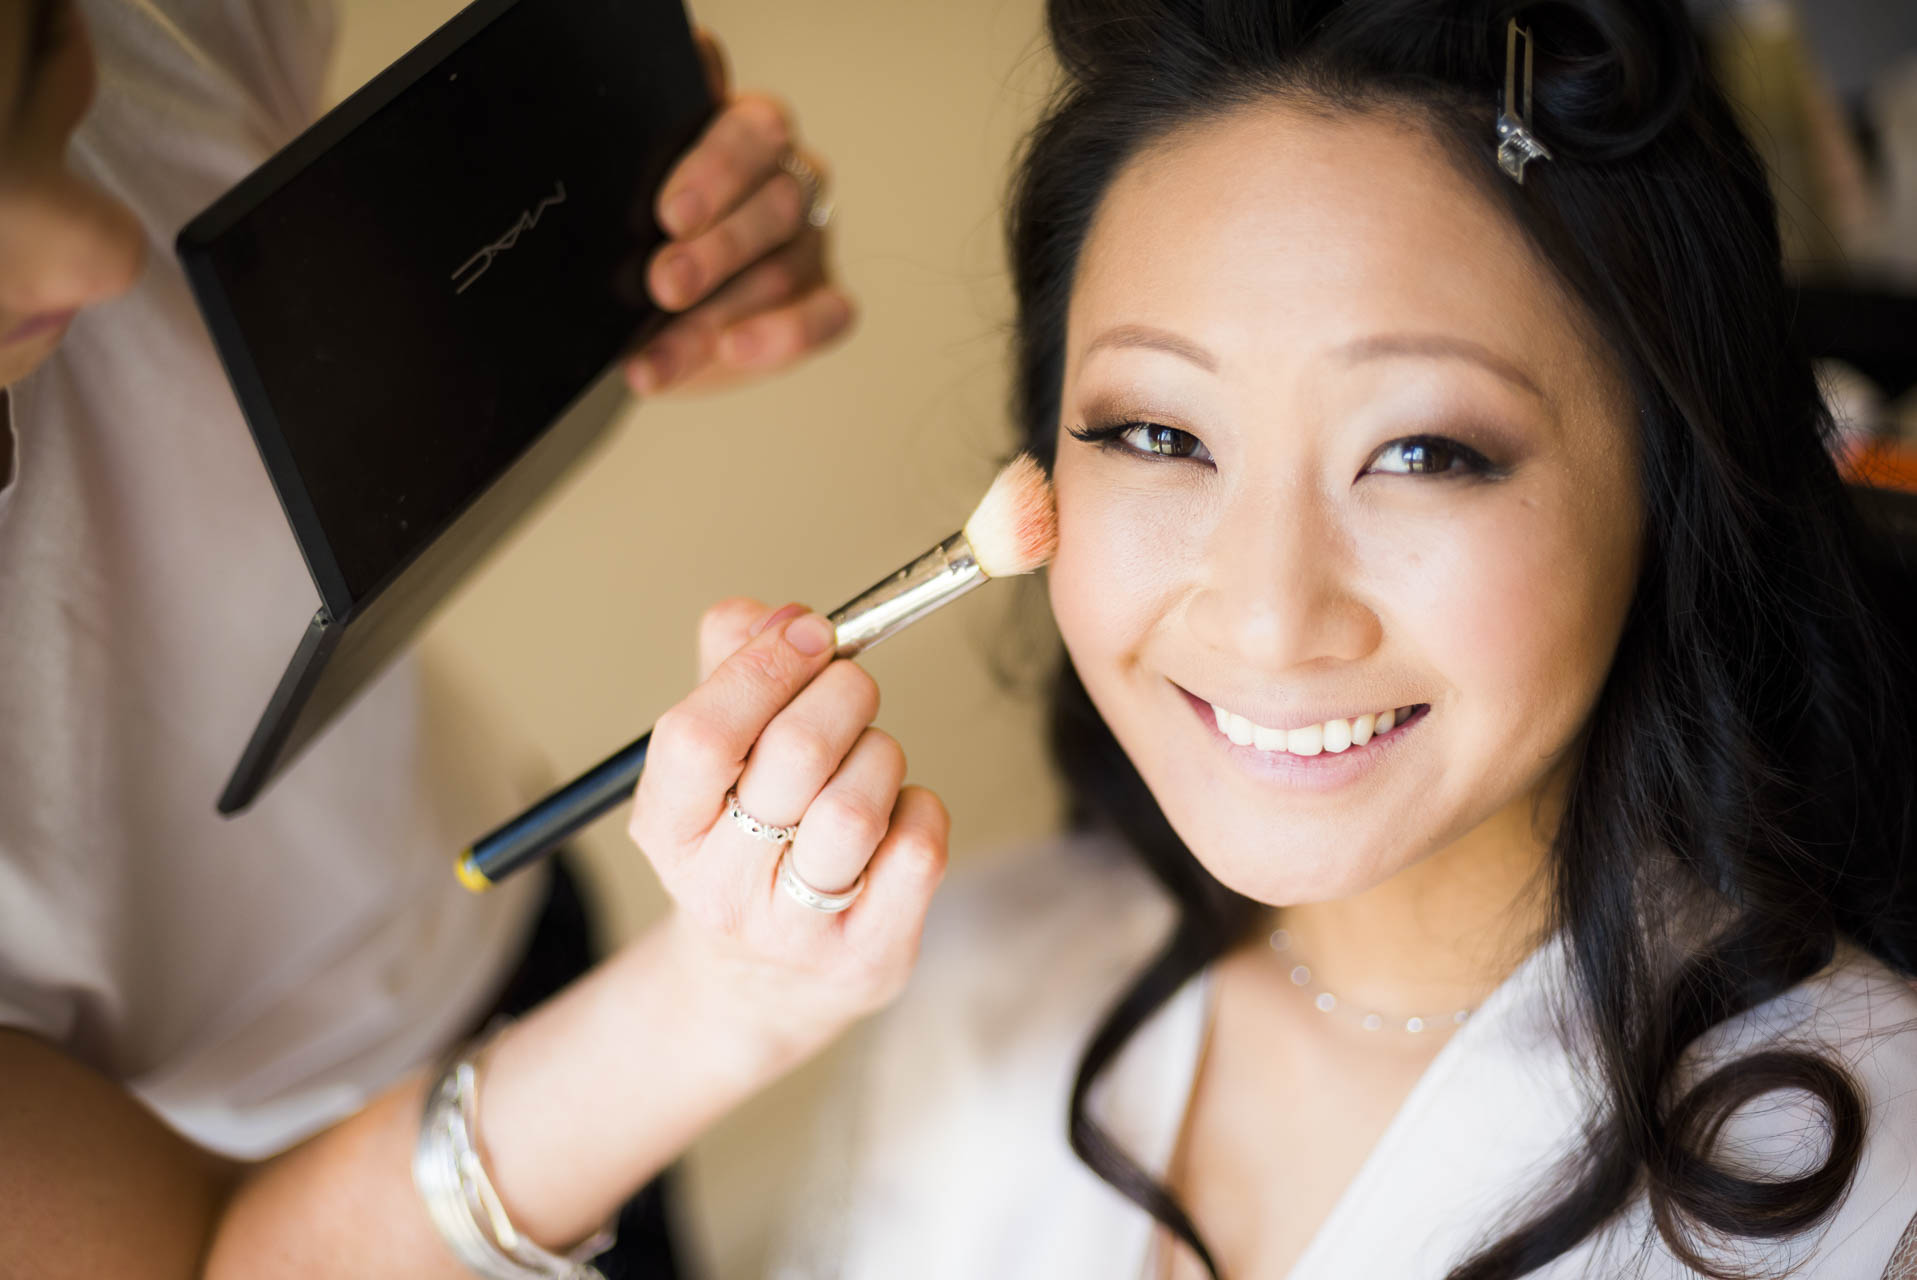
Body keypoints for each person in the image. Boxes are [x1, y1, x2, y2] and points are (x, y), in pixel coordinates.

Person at [680, 1, 1917, 1277]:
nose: (1269, 612)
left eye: (1425, 453)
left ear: (1670, 480)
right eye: (1159, 434)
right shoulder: (980, 981)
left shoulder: (1876, 1182)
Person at [0, 0, 857, 1275]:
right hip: (266, 1184)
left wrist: (643, 228)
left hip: (509, 910)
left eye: (32, 96)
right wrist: (725, 1000)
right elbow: (202, 1255)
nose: (100, 259)